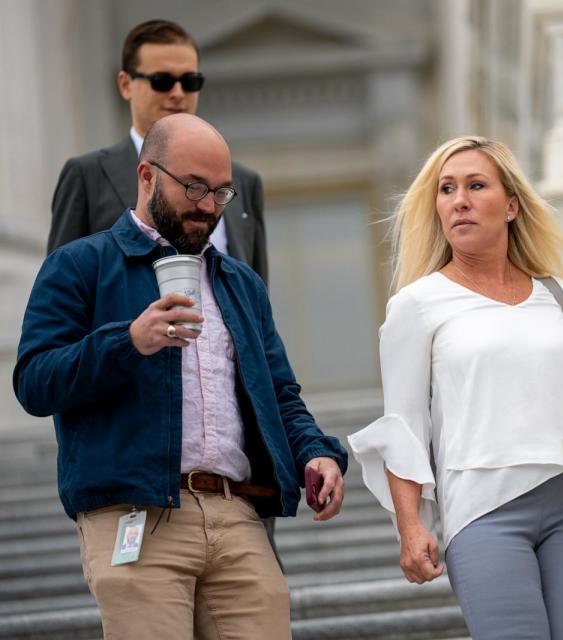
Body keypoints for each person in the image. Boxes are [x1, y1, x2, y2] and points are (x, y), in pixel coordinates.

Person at [348, 136, 563, 640]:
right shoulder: (416, 305)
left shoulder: (557, 296)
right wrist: (411, 526)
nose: (459, 200)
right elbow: (403, 425)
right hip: (482, 512)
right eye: (447, 189)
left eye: (475, 185)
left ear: (511, 205)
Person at [14, 113, 346, 639]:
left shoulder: (241, 283)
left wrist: (317, 452)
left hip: (237, 516)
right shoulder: (79, 265)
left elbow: (279, 393)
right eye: (194, 187)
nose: (209, 206)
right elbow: (33, 381)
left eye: (221, 192)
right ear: (147, 176)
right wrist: (128, 341)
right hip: (134, 514)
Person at [48, 19, 269, 282]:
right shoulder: (86, 176)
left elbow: (256, 297)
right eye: (161, 81)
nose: (177, 93)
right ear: (125, 84)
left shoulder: (243, 182)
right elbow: (58, 292)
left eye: (190, 81)